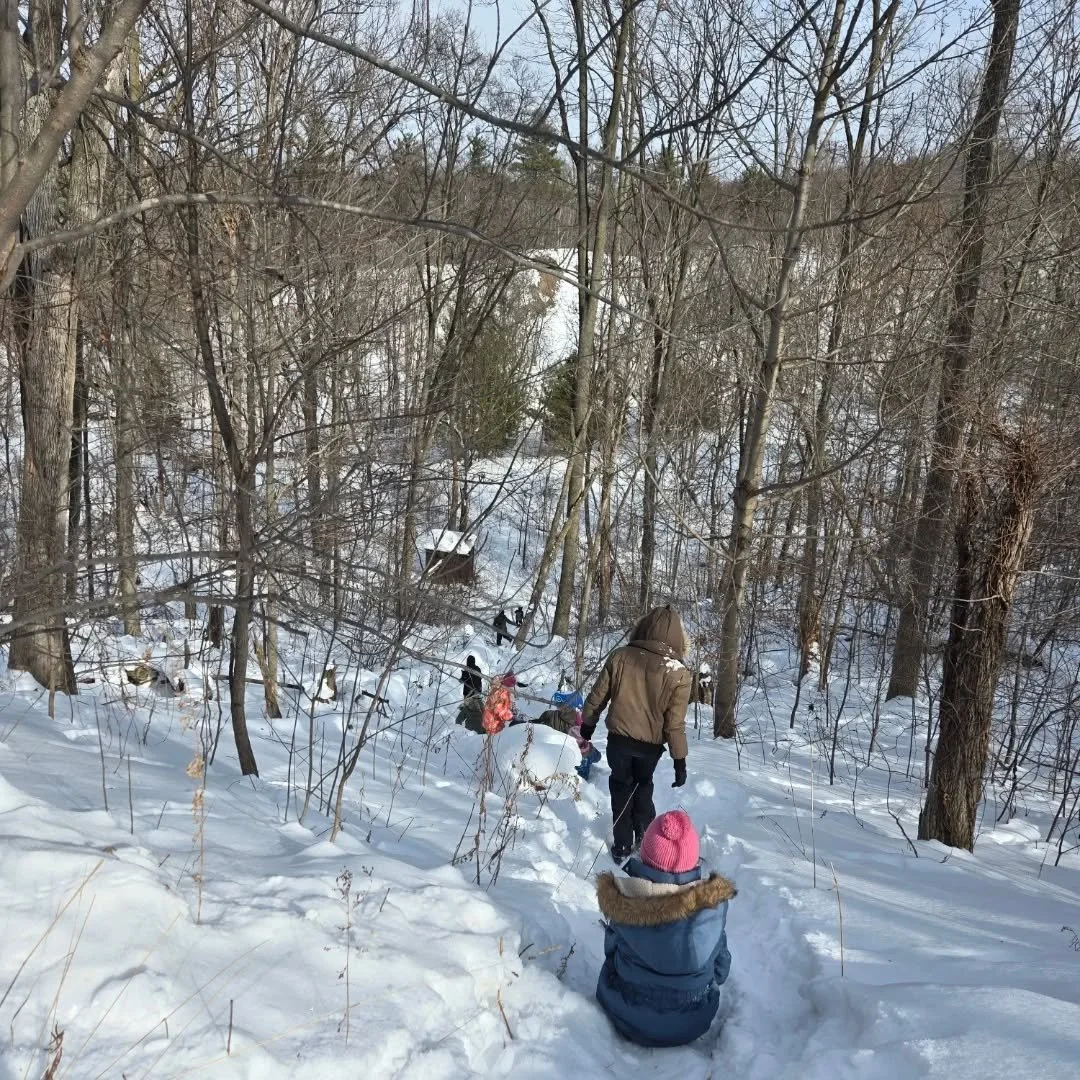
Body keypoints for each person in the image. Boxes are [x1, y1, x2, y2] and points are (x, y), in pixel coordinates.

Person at [595, 811, 735, 1048]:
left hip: (625, 1013)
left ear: (645, 856)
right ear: (693, 861)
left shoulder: (623, 901)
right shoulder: (713, 908)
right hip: (694, 1020)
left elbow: (611, 952)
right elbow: (721, 969)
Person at [580, 605, 691, 862]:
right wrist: (679, 761)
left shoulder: (621, 656)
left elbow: (598, 696)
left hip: (618, 741)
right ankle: (646, 840)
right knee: (643, 787)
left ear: (644, 627)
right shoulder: (679, 673)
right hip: (649, 748)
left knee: (621, 787)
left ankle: (621, 846)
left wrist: (588, 724)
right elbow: (675, 723)